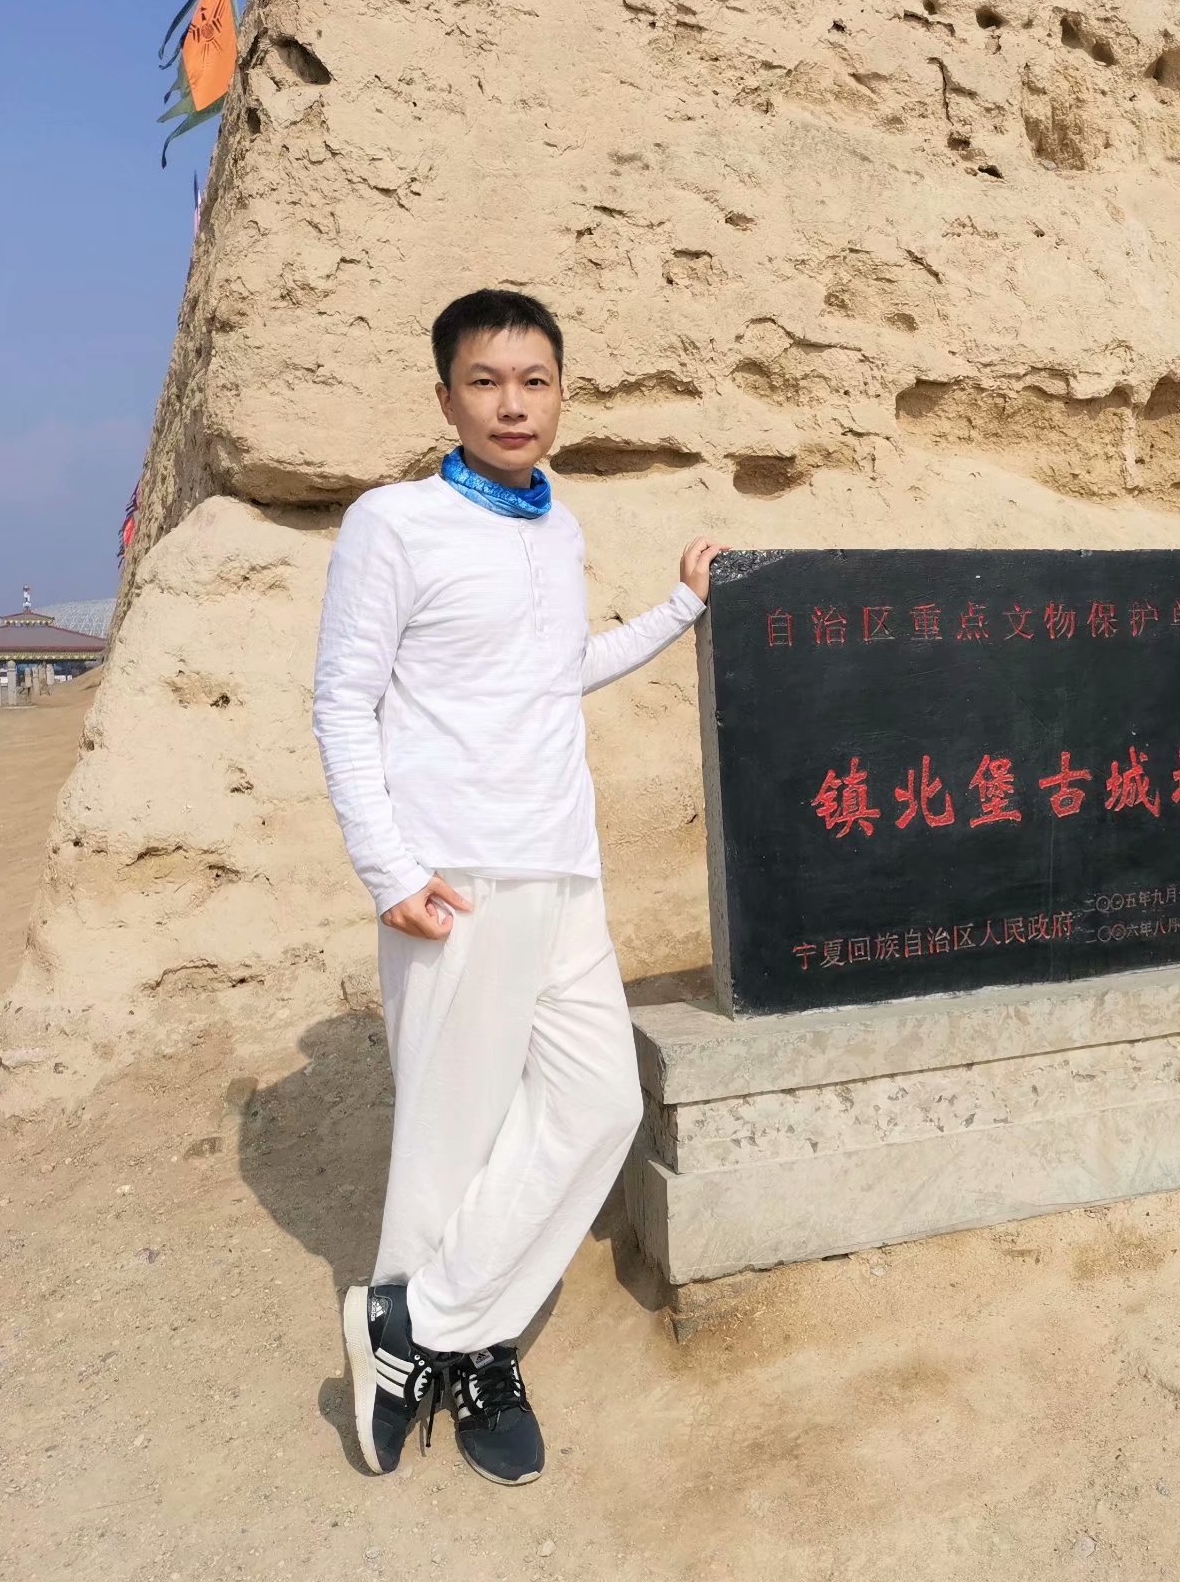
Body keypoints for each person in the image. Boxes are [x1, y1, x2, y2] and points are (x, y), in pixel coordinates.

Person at [313, 287, 723, 1485]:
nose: (511, 403)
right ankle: (469, 1348)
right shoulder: (395, 523)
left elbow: (556, 671)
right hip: (456, 874)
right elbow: (342, 698)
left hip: (563, 867)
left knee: (598, 1103)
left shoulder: (556, 525)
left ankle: (418, 1324)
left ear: (560, 394)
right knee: (452, 1134)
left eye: (533, 380)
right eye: (485, 381)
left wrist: (681, 608)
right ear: (445, 396)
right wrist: (389, 867)